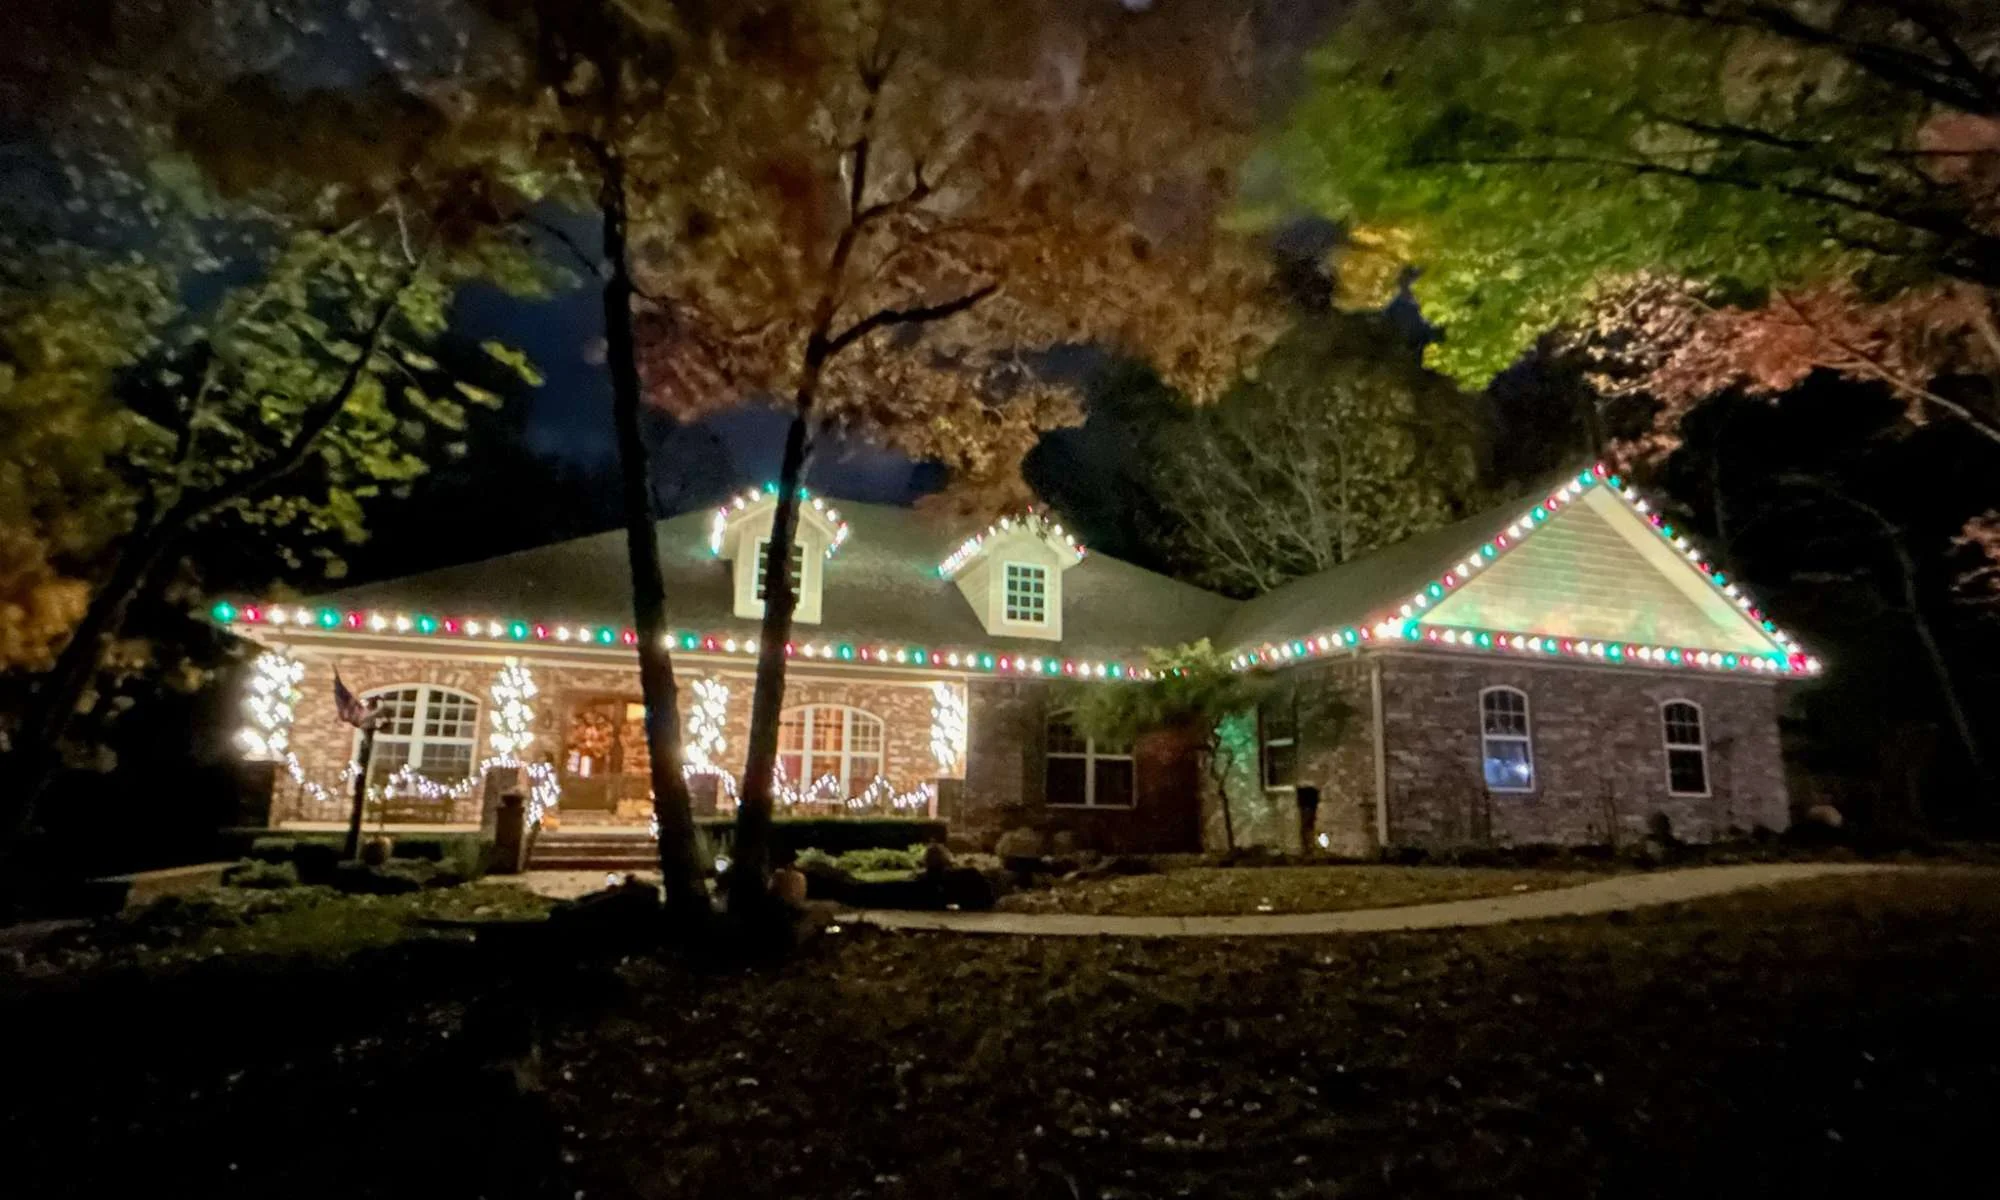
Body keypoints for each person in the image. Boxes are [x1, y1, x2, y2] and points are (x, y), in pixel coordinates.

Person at [1295, 785, 1320, 853]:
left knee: (1306, 828)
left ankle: (1308, 847)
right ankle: (1308, 847)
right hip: (1309, 804)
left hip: (1308, 804)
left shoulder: (1307, 812)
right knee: (1307, 828)